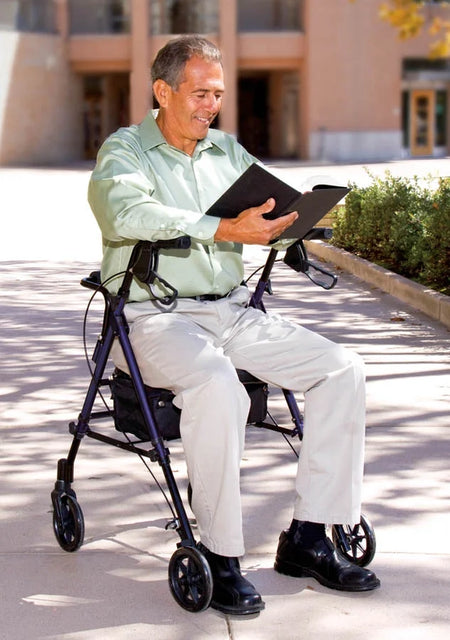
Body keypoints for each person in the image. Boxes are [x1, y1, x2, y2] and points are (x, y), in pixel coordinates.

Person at [88, 35, 380, 616]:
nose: (211, 105)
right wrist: (222, 230)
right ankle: (220, 555)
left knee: (341, 369)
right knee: (217, 383)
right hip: (151, 318)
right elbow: (125, 211)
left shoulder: (226, 150)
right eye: (200, 93)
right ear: (163, 91)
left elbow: (265, 211)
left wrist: (294, 223)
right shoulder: (125, 151)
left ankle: (308, 538)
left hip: (231, 310)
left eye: (218, 94)